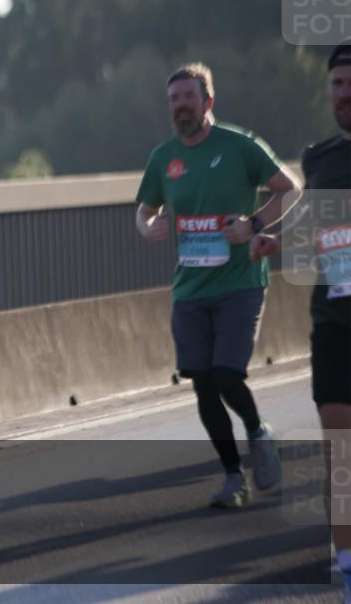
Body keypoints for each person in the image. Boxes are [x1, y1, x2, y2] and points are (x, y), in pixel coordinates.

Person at [134, 63, 302, 508]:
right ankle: (233, 477)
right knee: (203, 384)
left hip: (240, 283)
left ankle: (256, 430)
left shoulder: (240, 146)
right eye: (173, 100)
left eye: (188, 98)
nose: (180, 107)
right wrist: (147, 225)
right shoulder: (163, 158)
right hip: (189, 290)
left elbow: (291, 188)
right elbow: (144, 209)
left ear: (208, 102)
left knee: (227, 373)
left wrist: (254, 224)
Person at [250, 42, 351, 601]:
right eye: (337, 84)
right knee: (340, 444)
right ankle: (347, 568)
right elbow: (308, 211)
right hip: (335, 318)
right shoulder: (321, 157)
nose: (344, 94)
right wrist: (275, 239)